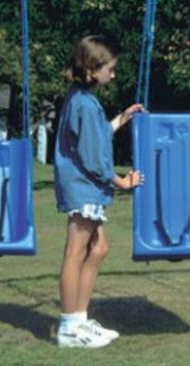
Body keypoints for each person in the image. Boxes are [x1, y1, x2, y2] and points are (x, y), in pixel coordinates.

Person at [53, 35, 144, 348]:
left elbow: (96, 134)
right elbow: (93, 156)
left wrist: (122, 118)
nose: (113, 74)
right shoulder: (83, 102)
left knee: (99, 250)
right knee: (75, 252)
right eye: (110, 68)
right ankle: (69, 327)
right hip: (83, 188)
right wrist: (121, 181)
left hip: (86, 188)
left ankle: (79, 319)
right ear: (93, 69)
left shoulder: (82, 100)